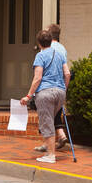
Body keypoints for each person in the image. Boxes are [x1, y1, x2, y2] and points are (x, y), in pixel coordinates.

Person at [19, 30, 70, 164]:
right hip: (60, 92)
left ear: (39, 43)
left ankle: (51, 155)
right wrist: (63, 88)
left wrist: (28, 96)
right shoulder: (59, 54)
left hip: (45, 93)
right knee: (51, 121)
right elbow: (67, 73)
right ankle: (49, 148)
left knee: (47, 123)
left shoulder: (40, 56)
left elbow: (38, 77)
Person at [34, 22, 70, 153]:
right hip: (60, 87)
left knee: (47, 117)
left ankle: (50, 150)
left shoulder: (47, 49)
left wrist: (30, 93)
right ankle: (60, 136)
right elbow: (67, 72)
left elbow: (40, 73)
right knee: (55, 113)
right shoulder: (62, 48)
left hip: (47, 87)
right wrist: (64, 89)